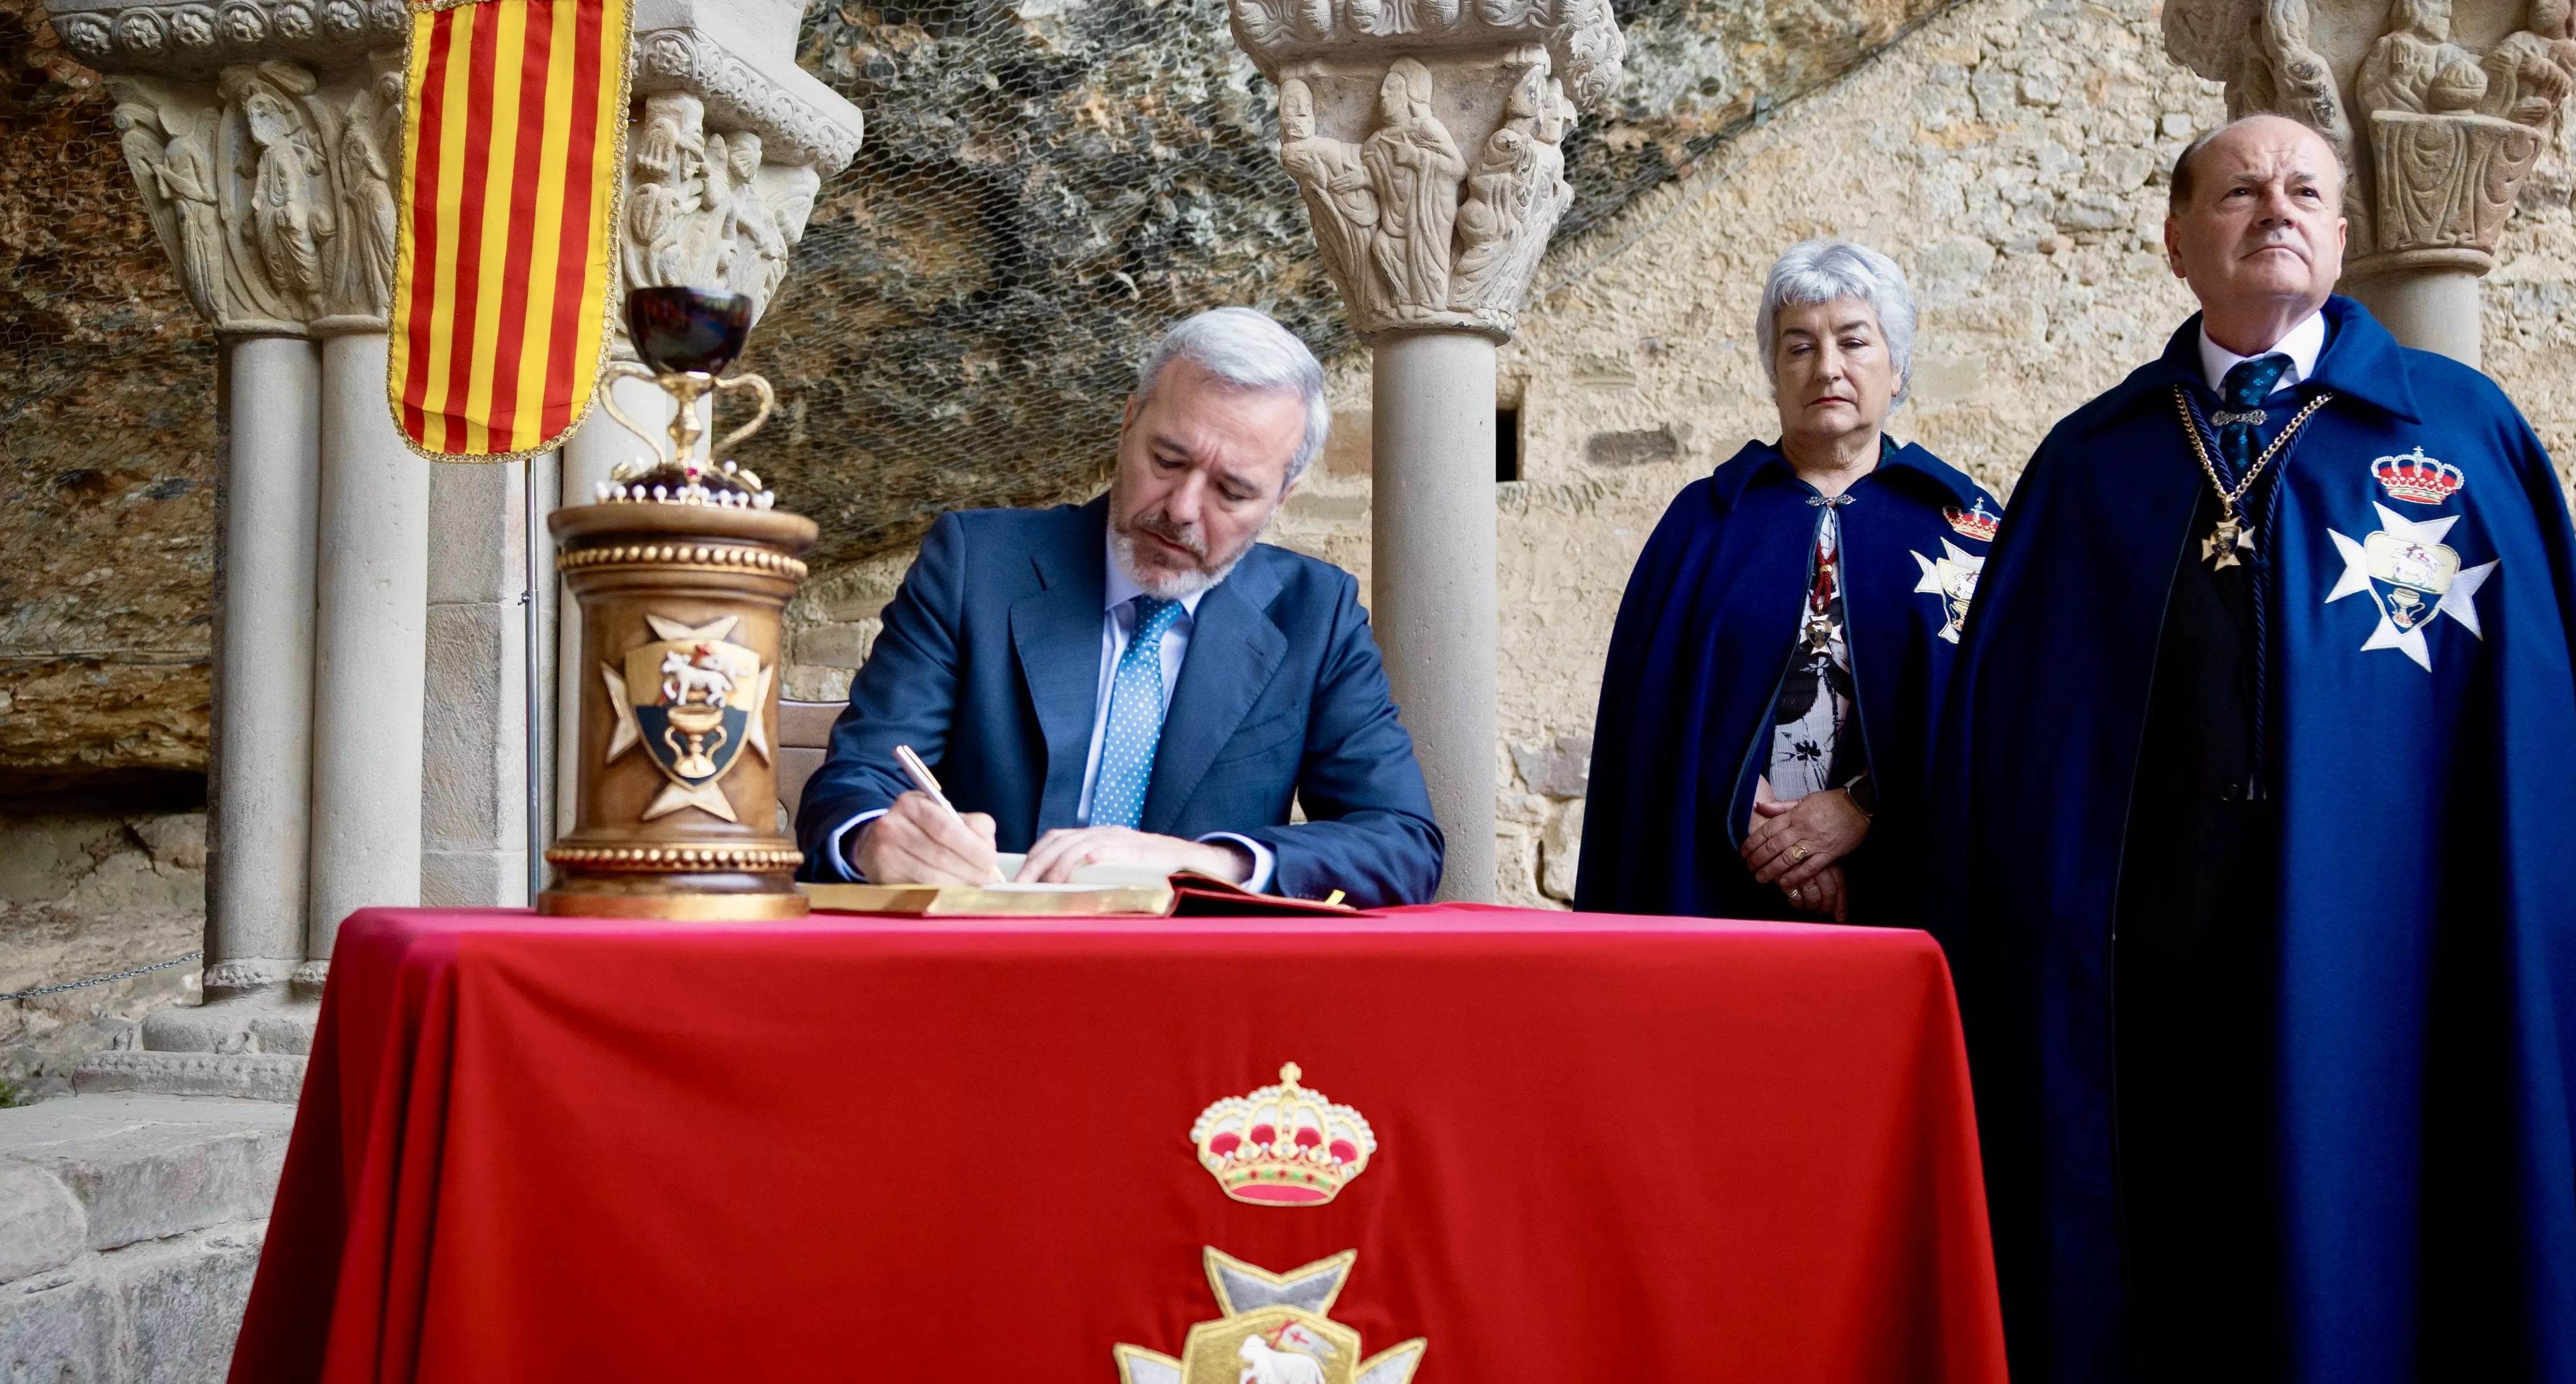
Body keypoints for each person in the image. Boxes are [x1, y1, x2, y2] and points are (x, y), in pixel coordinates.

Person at [1929, 115, 2576, 1384]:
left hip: (2395, 980)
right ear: (2178, 236)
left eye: (2306, 191)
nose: (2276, 210)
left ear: (2342, 232)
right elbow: (2017, 756)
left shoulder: (2458, 432)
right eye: (2239, 190)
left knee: (2378, 1247)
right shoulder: (2095, 464)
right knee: (2190, 1271)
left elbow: (2524, 758)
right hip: (2158, 986)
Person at [797, 307, 1443, 905]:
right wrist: (870, 842)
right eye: (1167, 460)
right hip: (979, 970)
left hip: (1192, 994)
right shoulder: (976, 565)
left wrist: (1208, 862)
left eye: (1233, 491)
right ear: (1128, 420)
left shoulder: (1315, 615)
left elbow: (1401, 842)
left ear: (1282, 495)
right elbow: (856, 783)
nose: (1182, 510)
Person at [1575, 240, 2002, 925]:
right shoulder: (1705, 523)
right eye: (1798, 347)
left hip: (1909, 884)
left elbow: (1996, 720)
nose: (1826, 367)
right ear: (1774, 375)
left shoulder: (1965, 526)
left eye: (1854, 342)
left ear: (1898, 369)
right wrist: (1762, 822)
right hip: (1721, 880)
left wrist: (1858, 808)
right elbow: (1655, 713)